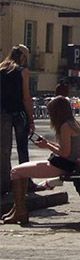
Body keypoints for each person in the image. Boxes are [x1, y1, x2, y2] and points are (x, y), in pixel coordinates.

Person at [3, 96, 80, 224]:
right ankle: (18, 209)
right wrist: (47, 143)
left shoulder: (65, 126)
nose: (49, 115)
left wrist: (46, 146)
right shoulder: (73, 123)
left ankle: (20, 211)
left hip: (61, 165)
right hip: (66, 163)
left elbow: (65, 153)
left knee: (15, 172)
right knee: (21, 170)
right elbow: (65, 149)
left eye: (51, 112)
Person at [0, 45, 34, 196]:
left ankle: (4, 183)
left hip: (3, 113)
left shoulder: (1, 69)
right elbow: (26, 97)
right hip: (19, 113)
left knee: (4, 150)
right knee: (22, 148)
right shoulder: (23, 72)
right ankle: (26, 182)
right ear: (22, 57)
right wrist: (31, 118)